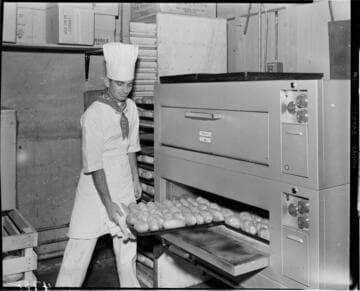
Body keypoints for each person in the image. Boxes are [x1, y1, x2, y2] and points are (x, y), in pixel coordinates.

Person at [56, 42, 141, 287]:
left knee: (127, 250)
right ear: (107, 81)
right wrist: (107, 202)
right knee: (78, 250)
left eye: (129, 84)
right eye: (119, 84)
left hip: (123, 182)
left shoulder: (132, 108)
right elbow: (93, 164)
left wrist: (134, 178)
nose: (125, 90)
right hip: (96, 189)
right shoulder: (94, 114)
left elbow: (131, 146)